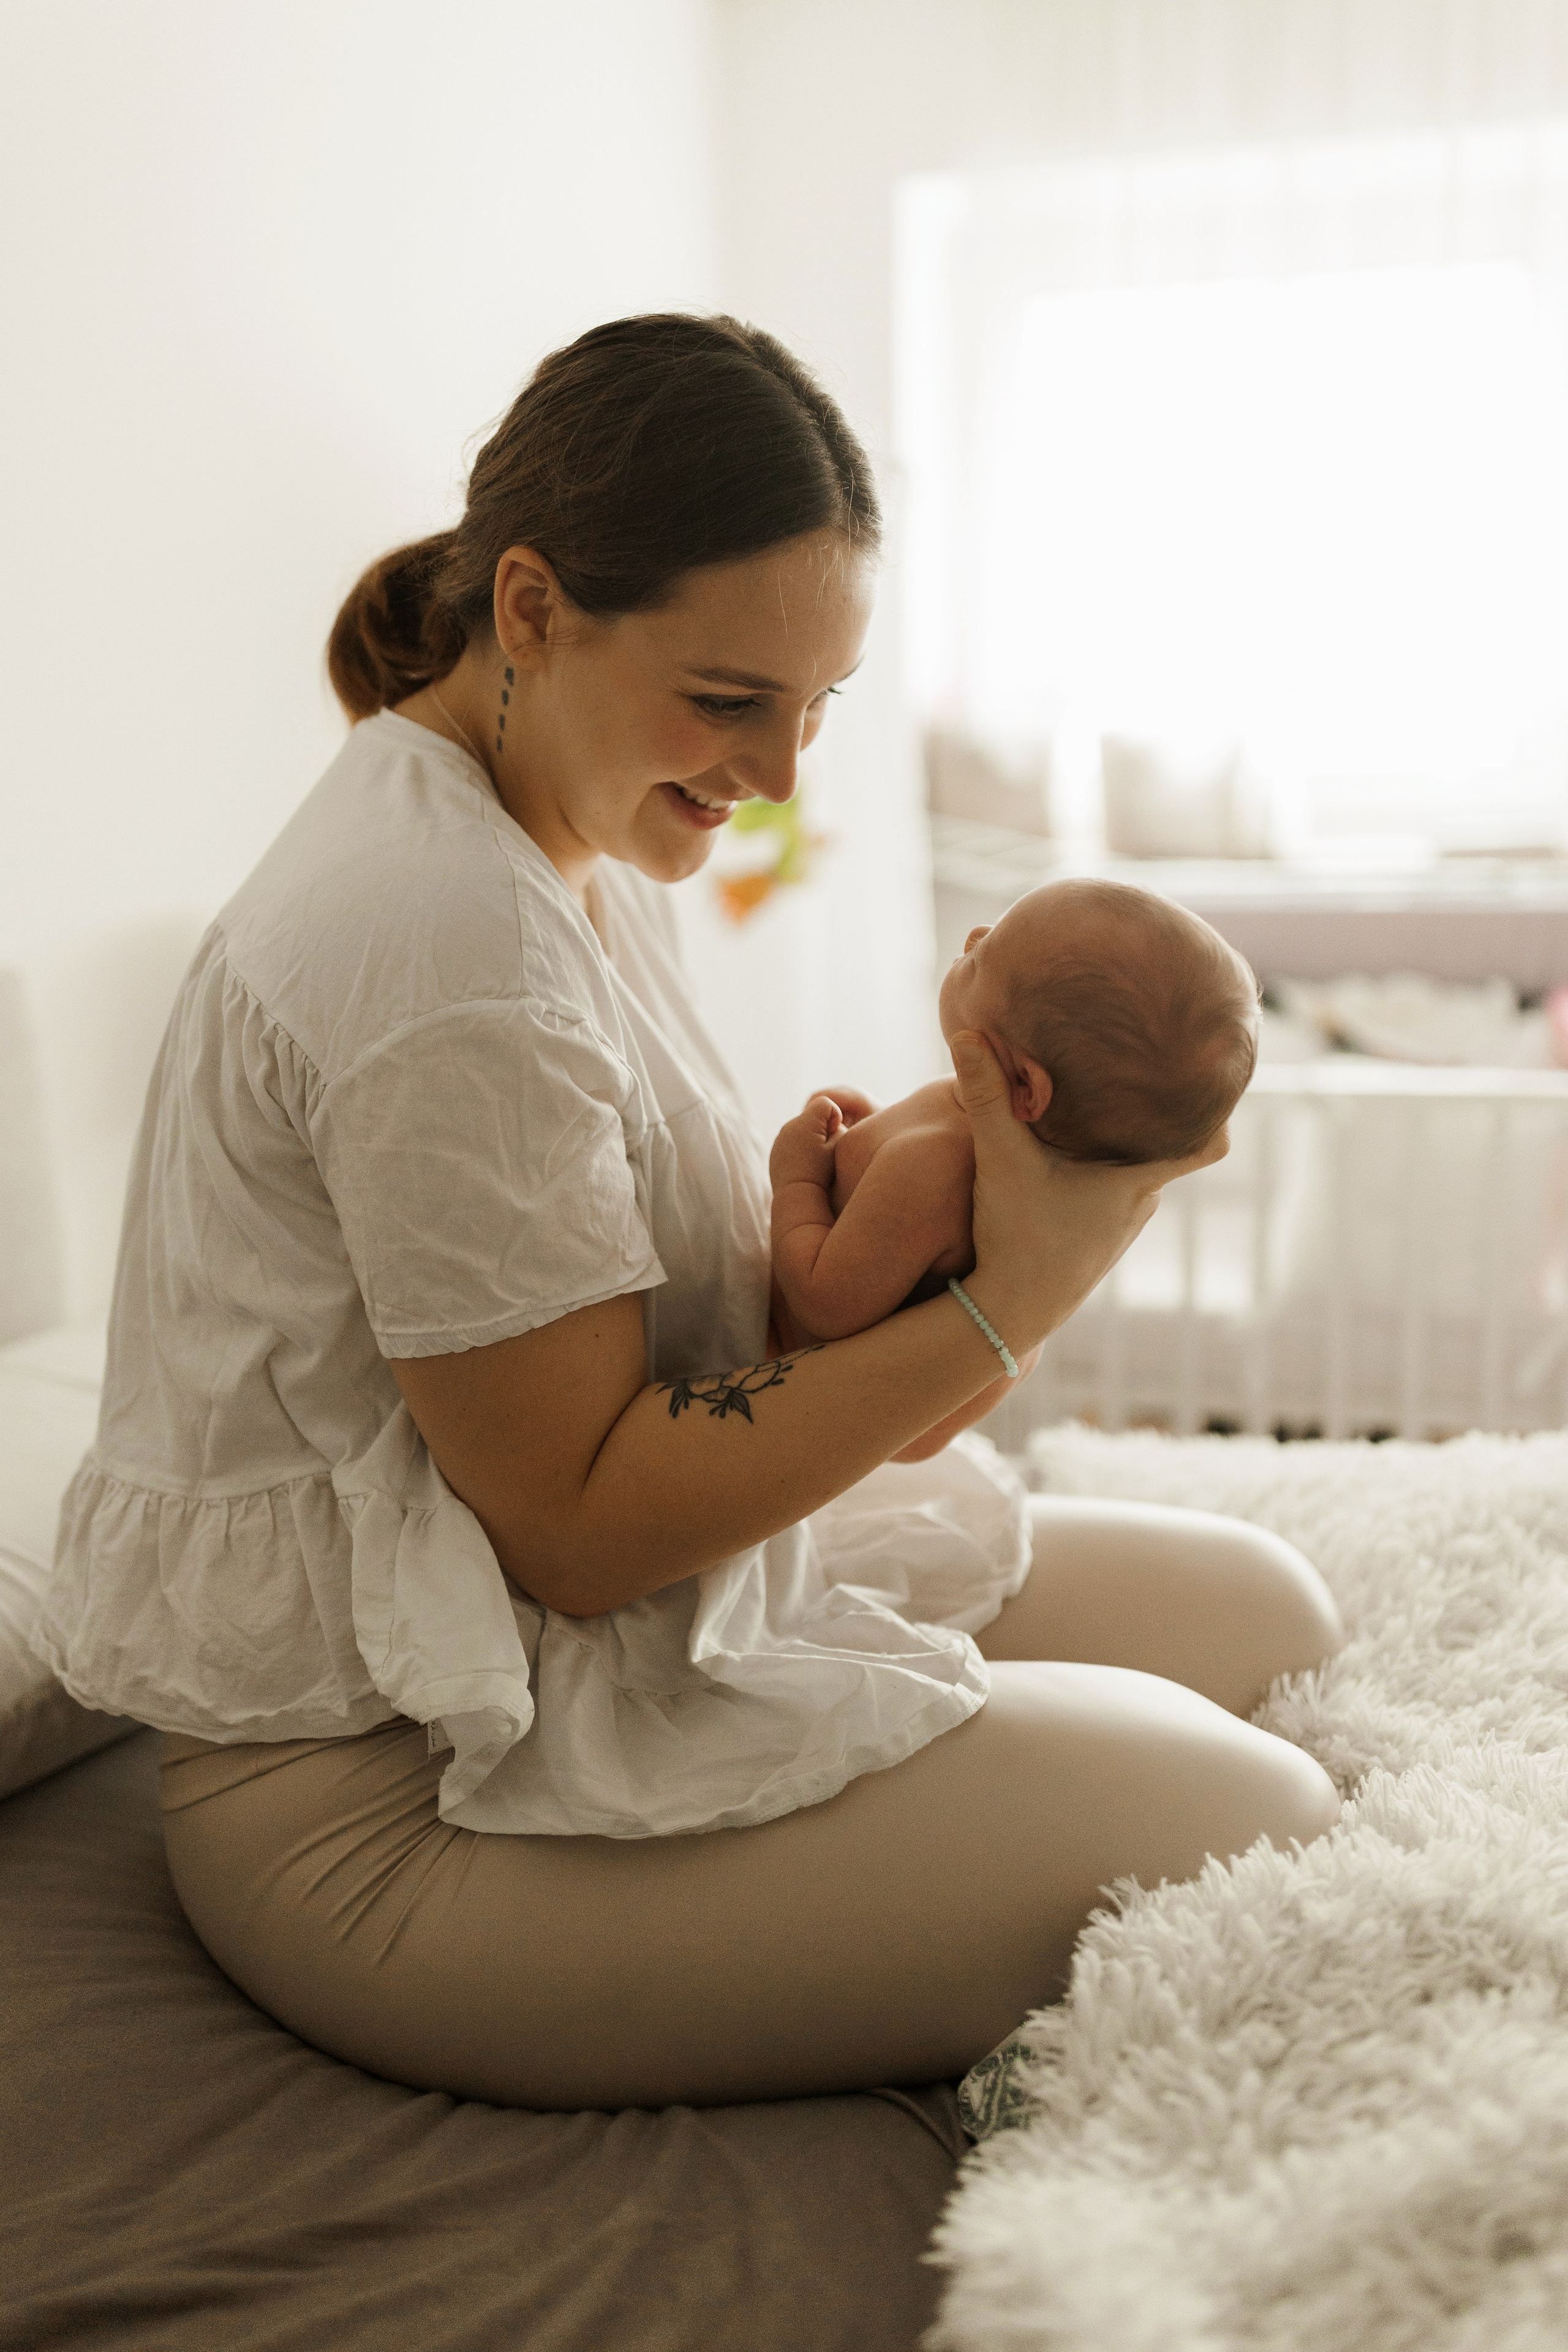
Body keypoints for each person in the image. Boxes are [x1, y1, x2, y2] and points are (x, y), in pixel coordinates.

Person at [31, 314, 1343, 2113]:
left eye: (816, 706)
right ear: (532, 605)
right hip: (387, 1785)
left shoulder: (566, 833)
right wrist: (1008, 1299)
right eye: (730, 701)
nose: (781, 777)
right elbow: (578, 1525)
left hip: (548, 1619)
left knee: (1264, 1610)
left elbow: (665, 1325)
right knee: (1249, 1804)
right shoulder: (441, 941)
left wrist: (913, 1197)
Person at [769, 878, 1259, 1451]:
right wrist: (868, 1136)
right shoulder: (966, 1130)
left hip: (790, 1372)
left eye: (984, 959)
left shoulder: (933, 1168)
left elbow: (824, 1299)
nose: (974, 936)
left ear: (1026, 1083)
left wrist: (797, 1179)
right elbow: (901, 1230)